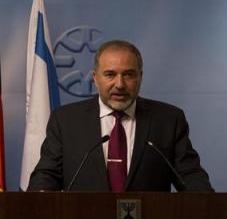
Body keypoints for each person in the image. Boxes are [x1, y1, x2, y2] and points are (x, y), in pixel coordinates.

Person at [28, 40, 212, 192]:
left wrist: (208, 202)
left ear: (140, 76)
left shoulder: (168, 120)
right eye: (110, 74)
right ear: (95, 78)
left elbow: (190, 175)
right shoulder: (66, 120)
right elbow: (46, 175)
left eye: (129, 75)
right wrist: (40, 200)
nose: (120, 84)